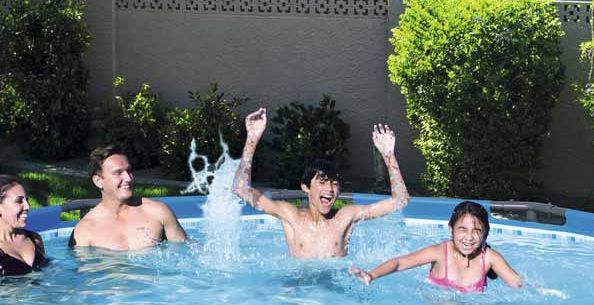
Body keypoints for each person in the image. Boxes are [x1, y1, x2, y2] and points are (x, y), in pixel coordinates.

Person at [231, 107, 410, 258]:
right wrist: (252, 139)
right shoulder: (290, 215)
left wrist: (389, 155)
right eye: (323, 181)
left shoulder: (346, 217)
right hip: (298, 286)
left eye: (335, 183)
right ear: (306, 187)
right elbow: (240, 189)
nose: (330, 188)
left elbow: (400, 200)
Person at [350, 200, 524, 292]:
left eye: (477, 230)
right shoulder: (440, 252)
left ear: (485, 233)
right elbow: (399, 263)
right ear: (450, 229)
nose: (469, 237)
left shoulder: (489, 257)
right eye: (462, 229)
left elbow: (517, 283)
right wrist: (371, 274)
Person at [70, 145, 188, 249]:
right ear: (98, 181)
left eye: (129, 171)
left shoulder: (158, 212)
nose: (128, 178)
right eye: (118, 173)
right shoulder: (85, 231)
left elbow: (186, 252)